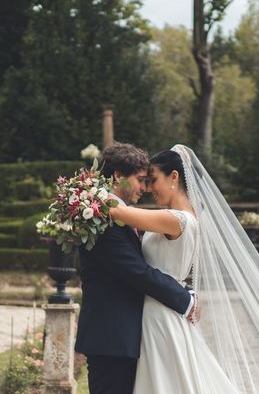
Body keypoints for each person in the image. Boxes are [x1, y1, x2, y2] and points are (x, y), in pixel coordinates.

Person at [109, 145, 259, 394]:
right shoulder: (185, 217)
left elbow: (117, 211)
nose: (147, 188)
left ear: (174, 177)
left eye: (153, 179)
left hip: (161, 314)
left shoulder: (175, 219)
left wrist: (85, 194)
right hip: (165, 309)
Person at [75, 142, 195, 394]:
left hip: (135, 332)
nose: (146, 188)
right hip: (113, 336)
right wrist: (185, 299)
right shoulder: (100, 217)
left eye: (150, 180)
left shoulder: (115, 212)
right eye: (141, 180)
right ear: (118, 176)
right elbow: (136, 271)